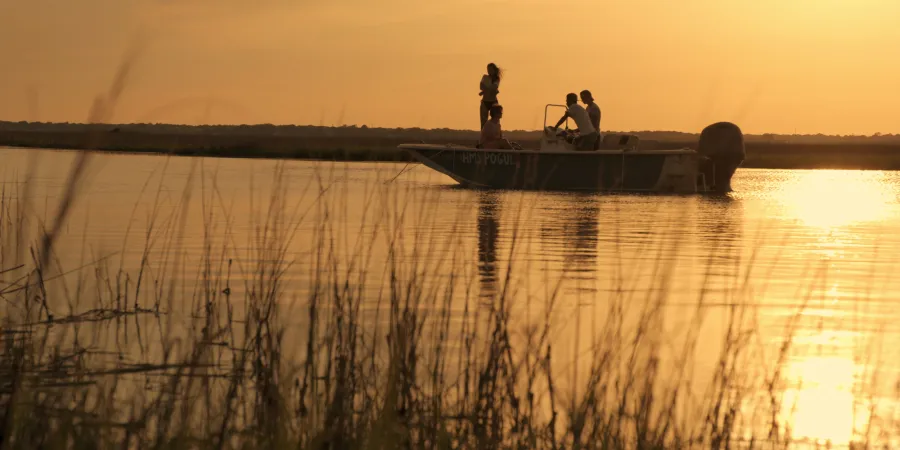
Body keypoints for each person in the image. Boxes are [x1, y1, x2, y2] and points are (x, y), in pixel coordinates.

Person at [479, 63, 502, 129]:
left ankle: (497, 135)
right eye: (488, 69)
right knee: (483, 123)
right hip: (485, 102)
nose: (489, 71)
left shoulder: (497, 79)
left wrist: (485, 90)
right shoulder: (485, 77)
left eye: (491, 69)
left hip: (493, 102)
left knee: (496, 121)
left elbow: (494, 87)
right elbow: (481, 86)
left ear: (494, 70)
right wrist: (488, 90)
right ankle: (483, 137)